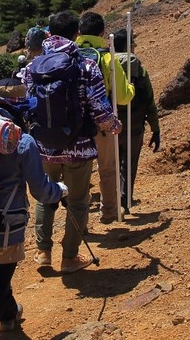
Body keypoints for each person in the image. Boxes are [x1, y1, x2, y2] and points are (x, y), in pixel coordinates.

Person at [0, 77, 66, 340]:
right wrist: (61, 190)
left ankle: (8, 317)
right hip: (7, 225)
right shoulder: (22, 140)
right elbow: (40, 190)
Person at [27, 11, 122, 274]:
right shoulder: (86, 66)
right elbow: (99, 109)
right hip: (78, 149)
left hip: (44, 148)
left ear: (49, 35)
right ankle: (69, 257)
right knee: (78, 202)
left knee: (45, 199)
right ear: (76, 35)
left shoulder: (32, 67)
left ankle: (42, 252)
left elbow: (27, 107)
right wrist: (114, 126)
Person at [75, 12, 134, 223]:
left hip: (74, 126)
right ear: (102, 32)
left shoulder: (67, 56)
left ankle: (79, 223)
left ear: (79, 33)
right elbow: (124, 96)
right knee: (108, 168)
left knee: (78, 173)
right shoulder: (107, 57)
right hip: (102, 122)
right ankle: (109, 211)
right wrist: (131, 87)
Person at [111, 28, 161, 208]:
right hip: (134, 124)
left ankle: (112, 200)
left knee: (113, 164)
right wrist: (155, 129)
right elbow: (149, 100)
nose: (135, 46)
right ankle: (125, 199)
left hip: (111, 124)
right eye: (133, 43)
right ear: (127, 45)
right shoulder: (139, 69)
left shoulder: (106, 65)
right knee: (129, 164)